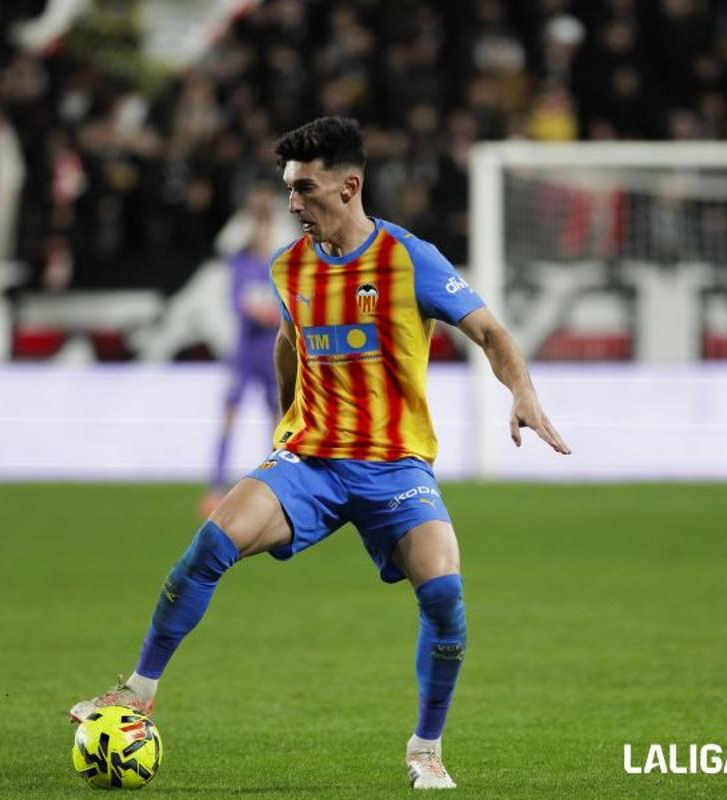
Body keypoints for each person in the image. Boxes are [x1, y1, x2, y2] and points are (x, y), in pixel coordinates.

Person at [69, 117, 570, 790]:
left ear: (349, 186)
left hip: (395, 467)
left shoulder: (409, 258)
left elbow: (489, 330)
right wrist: (285, 423)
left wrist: (524, 391)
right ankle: (136, 690)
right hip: (311, 462)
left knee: (446, 597)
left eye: (304, 189)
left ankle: (425, 747)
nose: (292, 203)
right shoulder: (289, 267)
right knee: (210, 543)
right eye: (288, 189)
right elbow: (288, 337)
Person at [200, 186, 282, 517]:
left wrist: (273, 312)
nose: (259, 231)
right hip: (246, 351)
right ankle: (215, 488)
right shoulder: (240, 263)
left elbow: (290, 304)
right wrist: (259, 312)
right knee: (230, 418)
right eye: (255, 224)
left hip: (272, 352)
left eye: (264, 224)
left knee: (277, 422)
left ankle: (275, 487)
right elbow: (236, 302)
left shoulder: (281, 265)